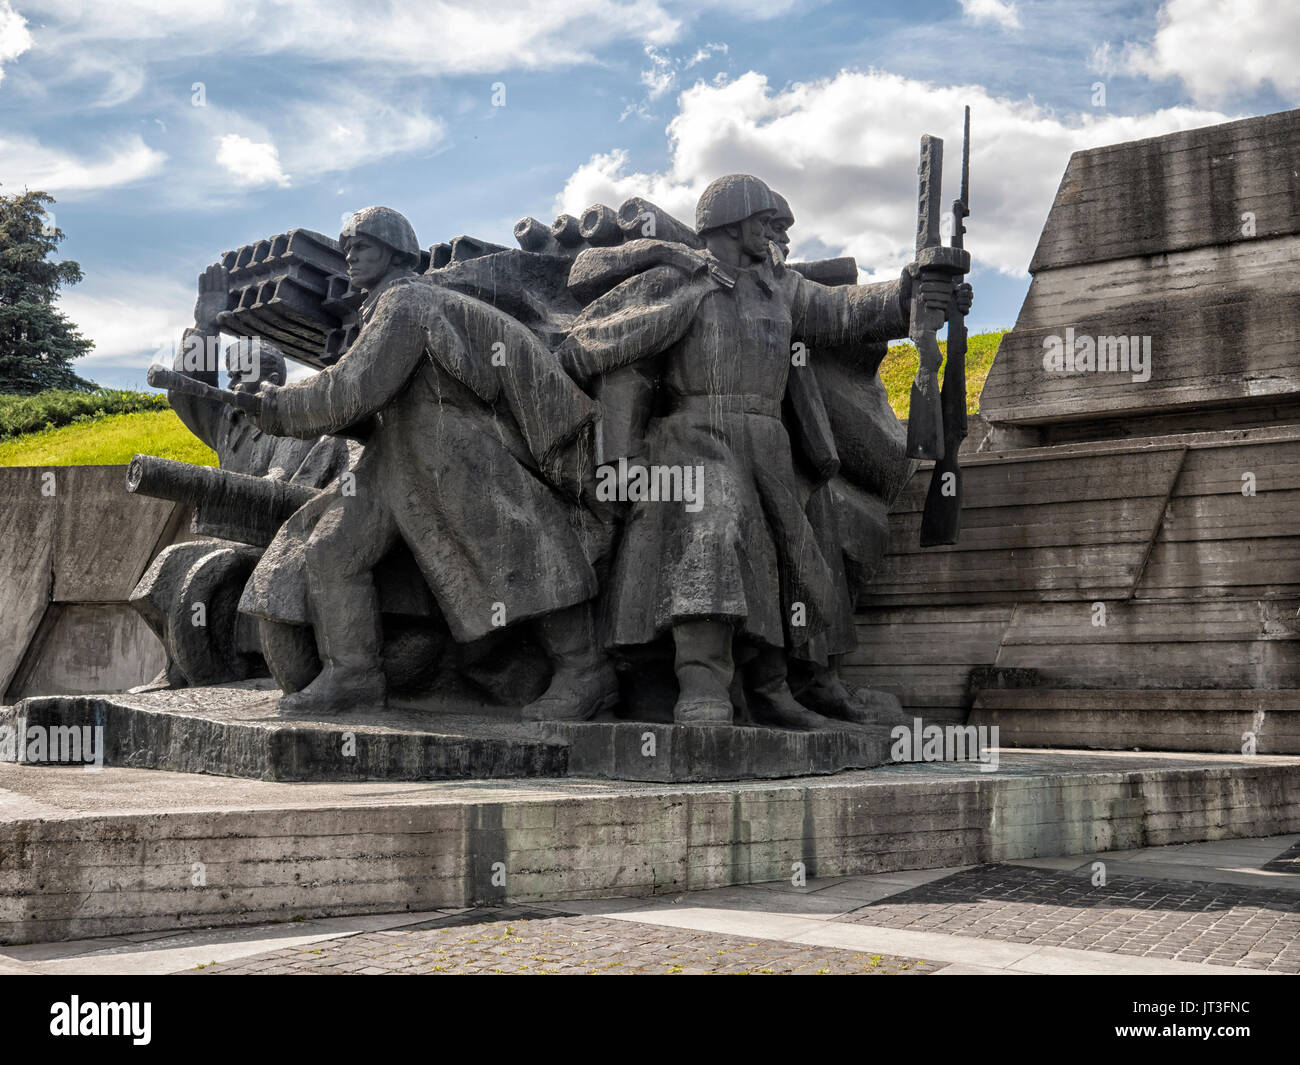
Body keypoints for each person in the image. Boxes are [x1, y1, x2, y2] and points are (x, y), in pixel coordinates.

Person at [559, 174, 965, 728]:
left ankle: (775, 689)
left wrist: (911, 290)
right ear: (732, 222)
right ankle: (702, 685)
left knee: (788, 552)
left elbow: (848, 311)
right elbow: (620, 361)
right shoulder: (675, 280)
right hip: (693, 437)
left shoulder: (784, 289)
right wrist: (621, 459)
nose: (779, 234)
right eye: (769, 223)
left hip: (768, 441)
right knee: (714, 528)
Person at [242, 206, 616, 719]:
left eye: (363, 248)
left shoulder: (407, 301)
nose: (350, 258)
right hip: (396, 451)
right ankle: (354, 675)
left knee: (520, 552)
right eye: (348, 249)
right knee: (332, 549)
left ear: (396, 254)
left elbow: (355, 386)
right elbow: (363, 400)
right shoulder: (383, 307)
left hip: (453, 446)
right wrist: (272, 405)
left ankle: (585, 669)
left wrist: (279, 405)